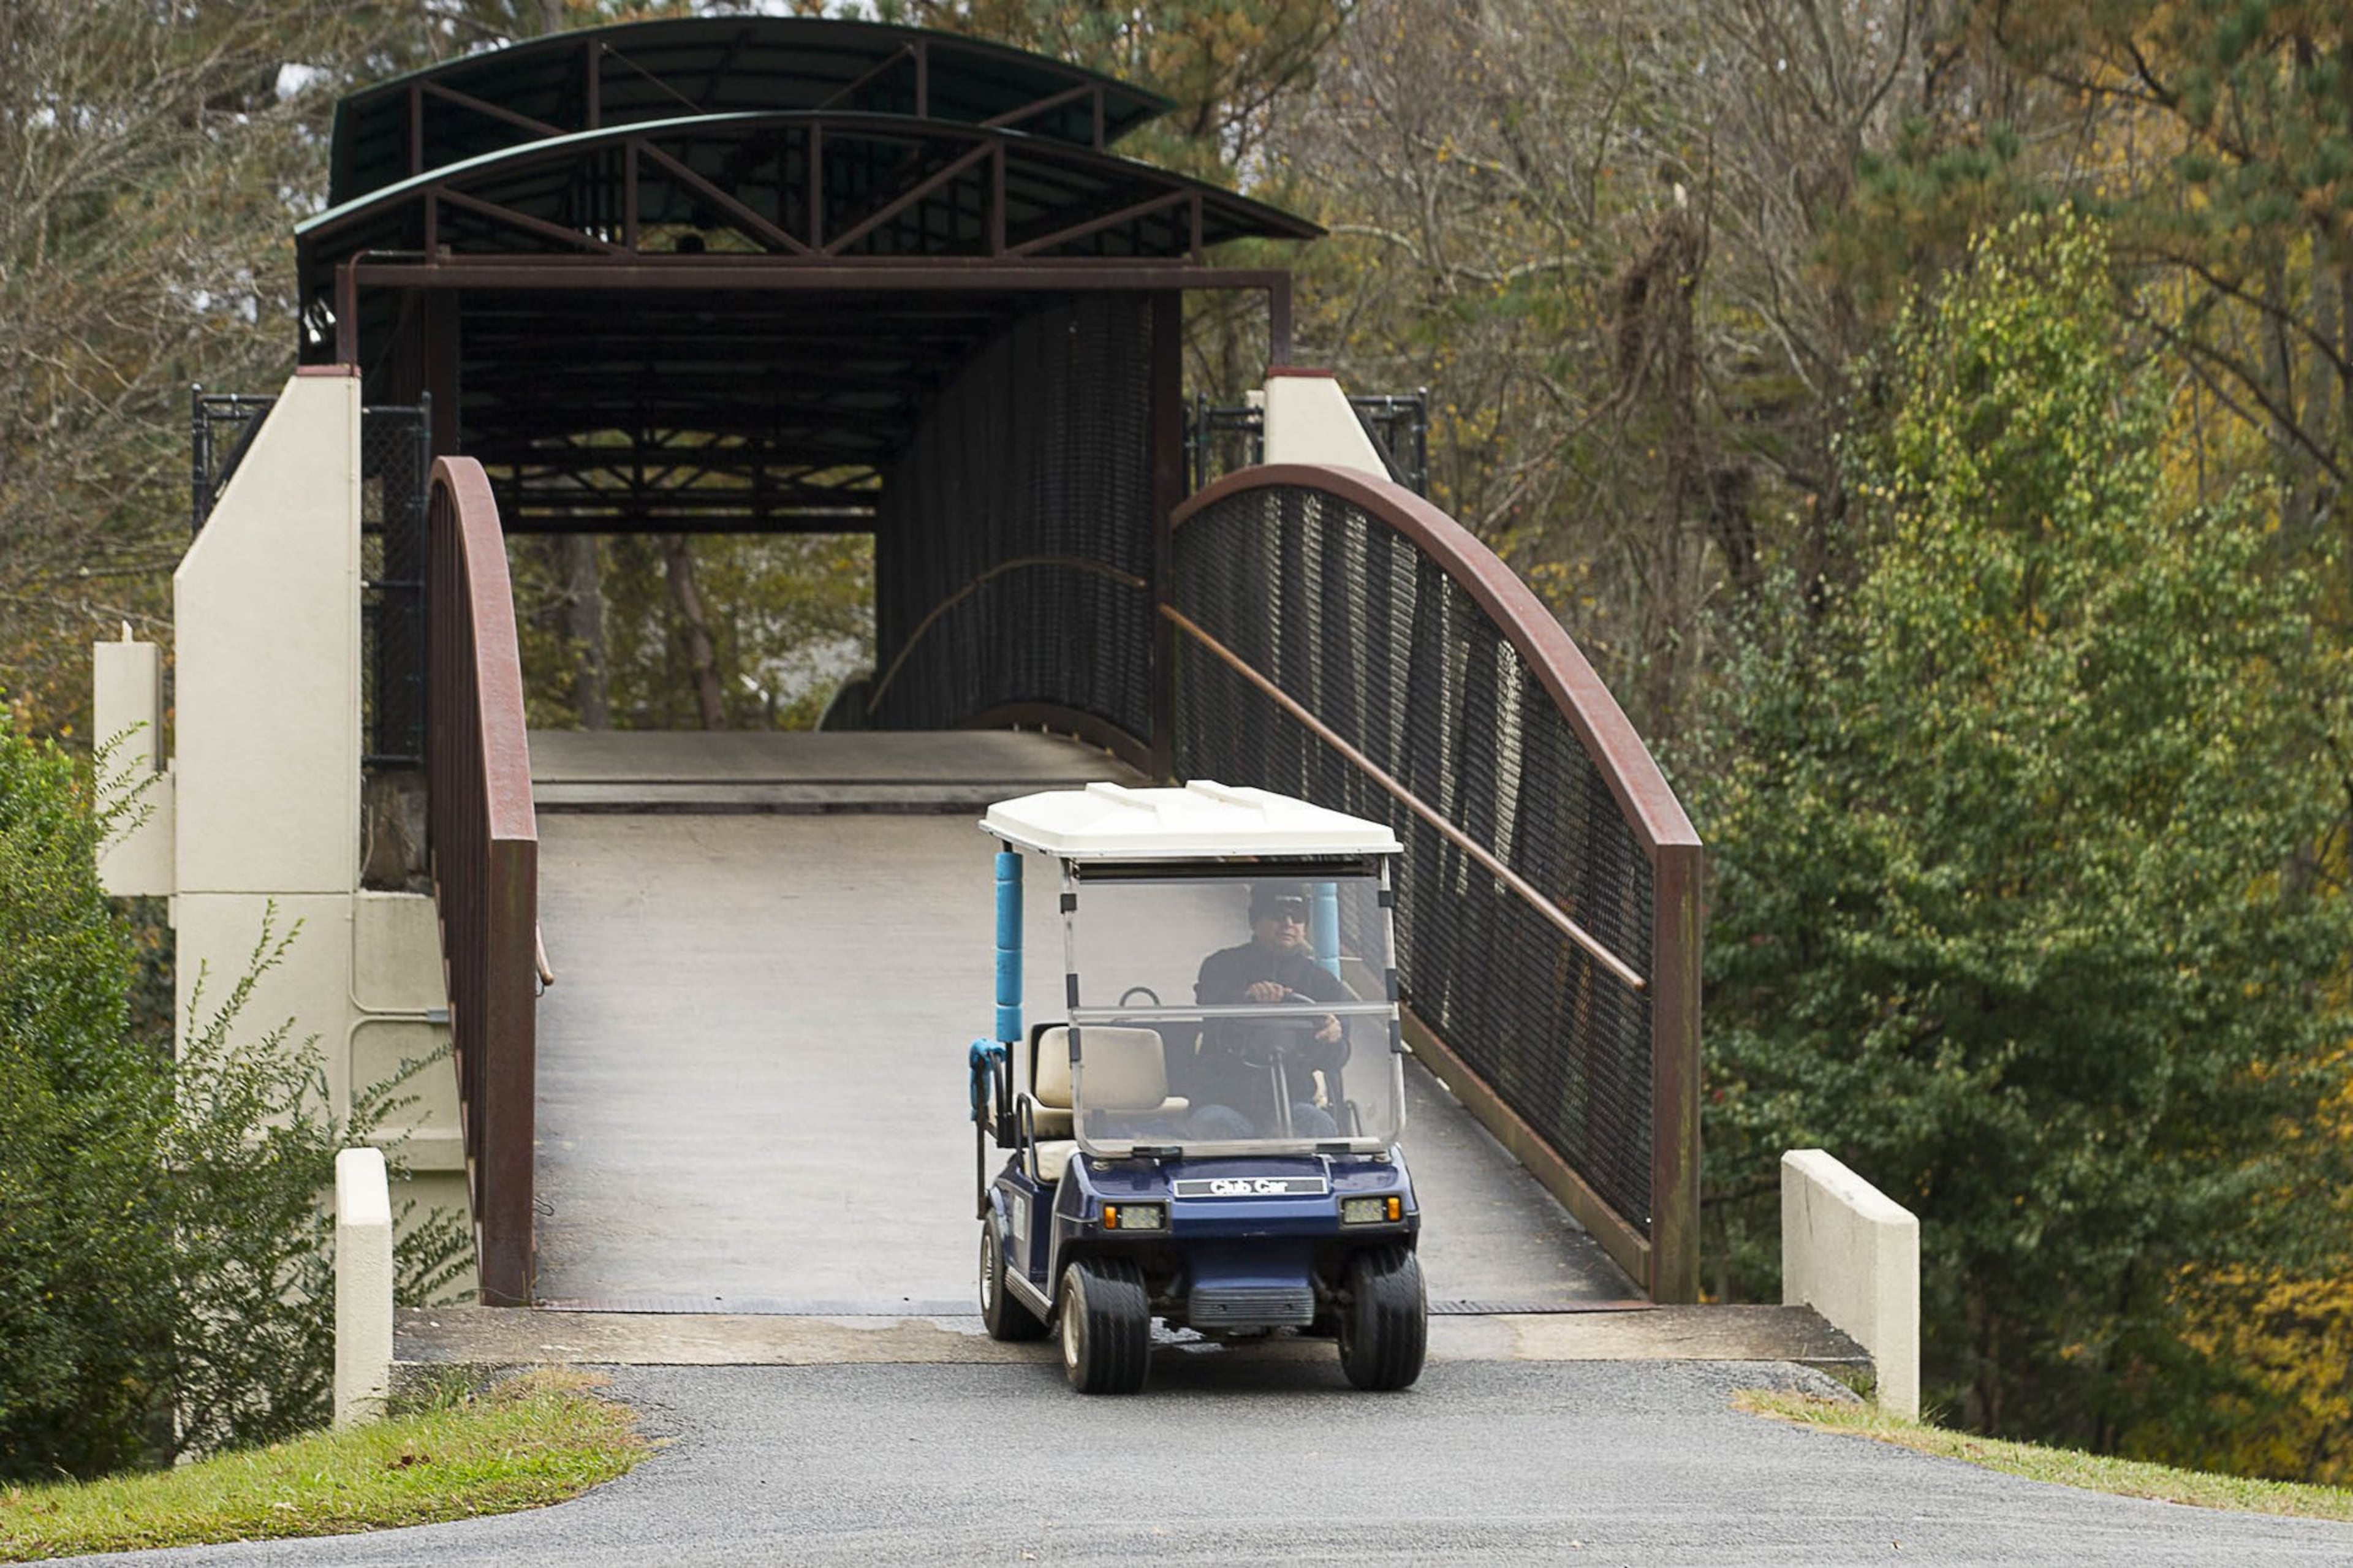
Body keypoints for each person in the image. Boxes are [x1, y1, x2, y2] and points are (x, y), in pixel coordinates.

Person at [1187, 882, 1353, 1139]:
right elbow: (1211, 1009)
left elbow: (1335, 1059)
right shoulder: (1222, 966)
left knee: (1317, 1125)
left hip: (1293, 1098)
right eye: (1277, 915)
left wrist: (1333, 1036)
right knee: (1219, 1126)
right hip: (1224, 1097)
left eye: (1297, 917)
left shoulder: (1323, 983)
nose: (1288, 924)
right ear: (1256, 921)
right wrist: (1245, 998)